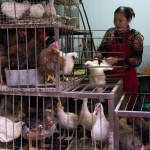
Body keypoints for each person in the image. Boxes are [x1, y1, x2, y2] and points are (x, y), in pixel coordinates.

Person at [95, 6, 144, 109]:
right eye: (115, 20)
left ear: (128, 20)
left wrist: (118, 60)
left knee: (126, 111)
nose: (117, 23)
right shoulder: (110, 33)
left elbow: (137, 60)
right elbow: (102, 49)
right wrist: (99, 55)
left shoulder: (135, 36)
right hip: (109, 79)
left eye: (120, 20)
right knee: (109, 112)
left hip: (127, 80)